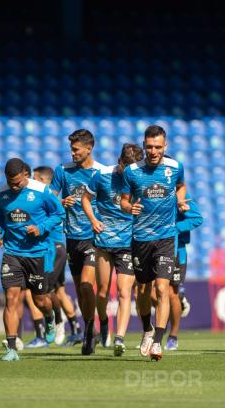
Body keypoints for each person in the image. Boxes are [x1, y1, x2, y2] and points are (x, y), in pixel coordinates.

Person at [121, 125, 188, 361]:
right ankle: (147, 329)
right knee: (143, 289)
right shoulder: (131, 172)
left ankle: (158, 342)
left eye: (158, 147)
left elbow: (181, 186)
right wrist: (130, 207)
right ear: (143, 146)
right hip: (140, 238)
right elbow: (123, 201)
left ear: (165, 146)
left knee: (162, 289)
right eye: (149, 147)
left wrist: (180, 201)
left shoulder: (175, 167)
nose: (153, 151)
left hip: (166, 237)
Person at [0, 158, 66, 361]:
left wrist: (41, 228)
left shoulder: (41, 191)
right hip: (12, 253)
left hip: (37, 253)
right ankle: (12, 347)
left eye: (17, 182)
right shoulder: (0, 192)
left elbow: (59, 213)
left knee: (40, 300)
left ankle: (50, 318)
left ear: (26, 174)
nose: (14, 186)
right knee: (12, 300)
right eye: (10, 182)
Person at [81, 143, 144, 356]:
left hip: (128, 243)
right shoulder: (102, 175)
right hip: (104, 241)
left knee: (125, 291)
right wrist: (92, 220)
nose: (130, 174)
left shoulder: (141, 176)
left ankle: (120, 338)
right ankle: (104, 322)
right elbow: (85, 199)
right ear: (120, 162)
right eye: (126, 168)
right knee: (102, 291)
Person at [52, 129, 106, 347]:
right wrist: (60, 203)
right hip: (71, 238)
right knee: (81, 291)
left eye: (75, 149)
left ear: (88, 148)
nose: (72, 153)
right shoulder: (62, 170)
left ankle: (93, 328)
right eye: (71, 149)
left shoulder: (102, 172)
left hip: (95, 237)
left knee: (86, 285)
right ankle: (90, 330)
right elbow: (50, 200)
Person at [22, 166, 69, 348]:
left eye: (34, 178)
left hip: (53, 248)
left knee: (48, 291)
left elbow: (58, 212)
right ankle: (56, 321)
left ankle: (58, 322)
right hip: (41, 249)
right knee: (44, 292)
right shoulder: (36, 198)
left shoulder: (47, 197)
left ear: (41, 180)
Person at [165, 193, 203, 350]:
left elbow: (197, 218)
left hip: (176, 251)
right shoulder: (147, 189)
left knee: (170, 293)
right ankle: (151, 330)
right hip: (150, 247)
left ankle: (173, 336)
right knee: (148, 292)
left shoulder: (180, 195)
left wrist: (175, 228)